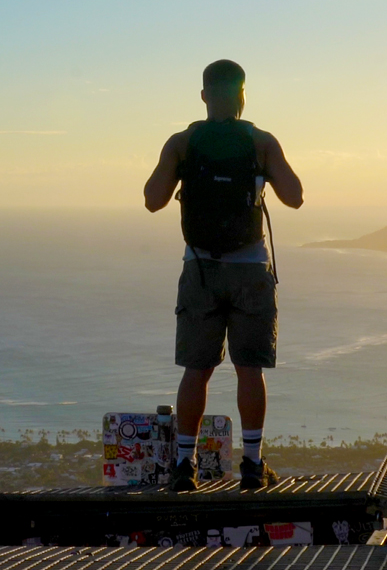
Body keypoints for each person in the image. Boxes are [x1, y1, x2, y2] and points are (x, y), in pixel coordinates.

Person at [143, 59, 304, 492]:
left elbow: (153, 200)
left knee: (196, 371)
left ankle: (183, 466)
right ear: (242, 96)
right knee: (250, 369)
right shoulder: (261, 141)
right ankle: (251, 465)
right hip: (250, 268)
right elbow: (295, 197)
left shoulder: (182, 142)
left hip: (199, 270)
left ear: (203, 95)